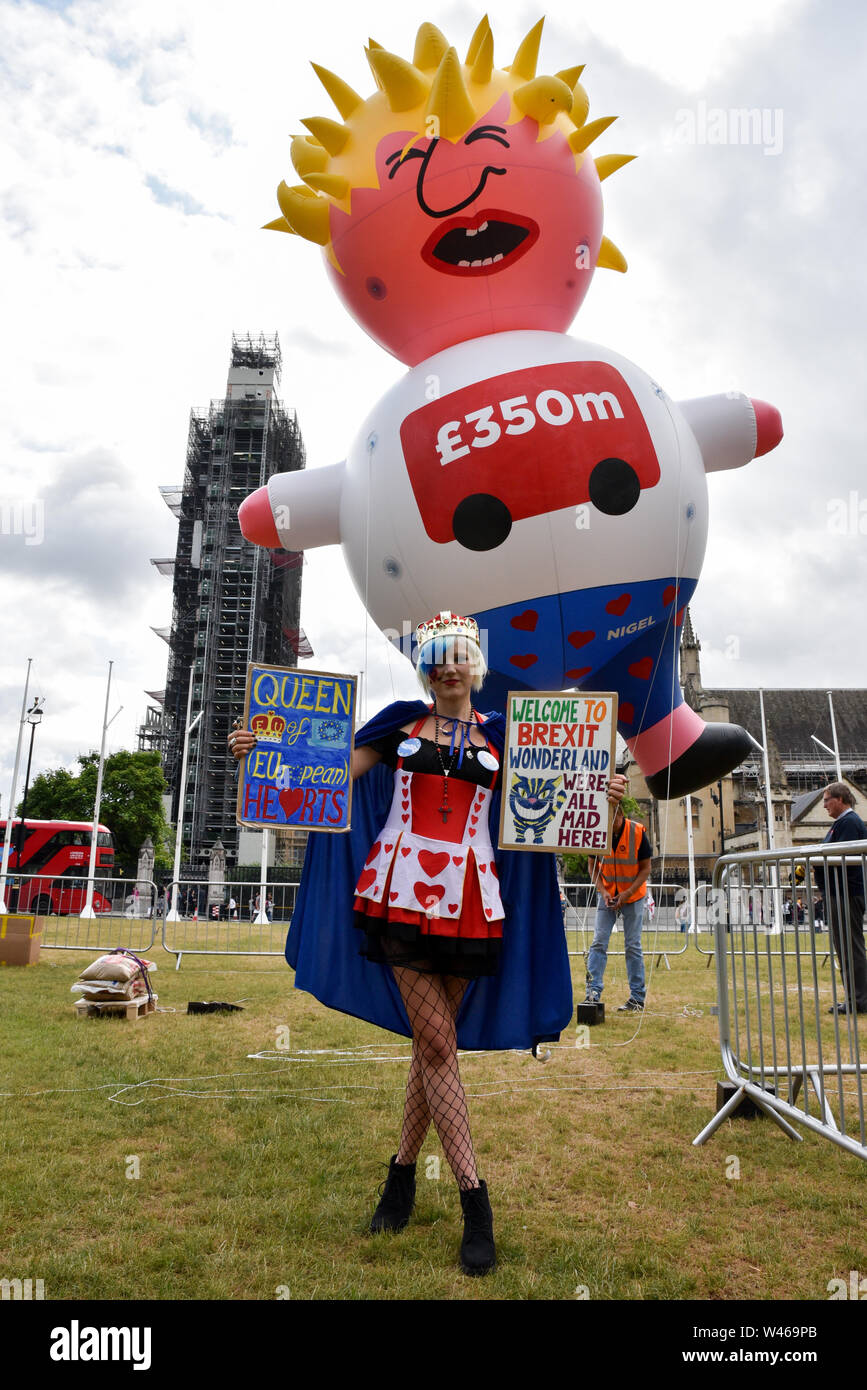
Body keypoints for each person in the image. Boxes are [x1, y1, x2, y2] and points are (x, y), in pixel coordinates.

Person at [230, 610, 625, 1277]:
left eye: (458, 656)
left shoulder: (506, 736)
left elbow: (558, 817)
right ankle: (476, 1203)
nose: (447, 666)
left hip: (472, 898)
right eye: (436, 656)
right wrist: (262, 754)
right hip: (398, 890)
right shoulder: (398, 722)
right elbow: (327, 774)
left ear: (476, 666)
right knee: (439, 1043)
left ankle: (401, 1175)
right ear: (427, 668)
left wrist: (608, 798)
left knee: (430, 1045)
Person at [584, 802, 652, 1012]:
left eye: (611, 819)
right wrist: (603, 891)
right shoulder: (597, 830)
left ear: (620, 815)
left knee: (632, 945)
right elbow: (591, 866)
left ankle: (637, 998)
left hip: (632, 896)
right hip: (607, 896)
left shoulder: (637, 832)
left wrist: (627, 893)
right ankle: (592, 994)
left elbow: (646, 869)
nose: (607, 824)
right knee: (598, 943)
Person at [813, 783, 867, 1016]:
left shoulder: (848, 823)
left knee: (849, 947)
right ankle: (855, 998)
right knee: (845, 947)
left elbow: (841, 856)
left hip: (845, 893)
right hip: (839, 892)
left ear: (840, 799)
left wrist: (814, 858)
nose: (824, 805)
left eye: (827, 800)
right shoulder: (843, 823)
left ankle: (859, 1000)